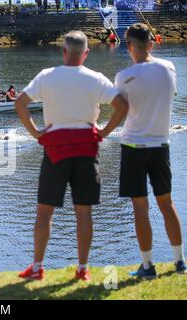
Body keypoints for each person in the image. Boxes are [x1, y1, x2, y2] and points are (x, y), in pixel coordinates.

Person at [14, 31, 129, 281]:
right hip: (87, 149)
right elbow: (122, 106)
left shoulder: (47, 76)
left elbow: (20, 103)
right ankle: (82, 269)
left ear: (64, 51)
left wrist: (36, 133)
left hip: (55, 149)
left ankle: (36, 267)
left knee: (44, 212)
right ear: (86, 53)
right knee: (83, 212)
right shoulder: (96, 79)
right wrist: (104, 132)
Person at [116, 23, 186, 278]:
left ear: (130, 46)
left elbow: (122, 109)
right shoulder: (169, 68)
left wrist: (102, 131)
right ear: (152, 43)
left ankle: (147, 266)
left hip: (133, 146)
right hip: (161, 145)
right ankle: (179, 262)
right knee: (167, 204)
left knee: (140, 208)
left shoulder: (124, 76)